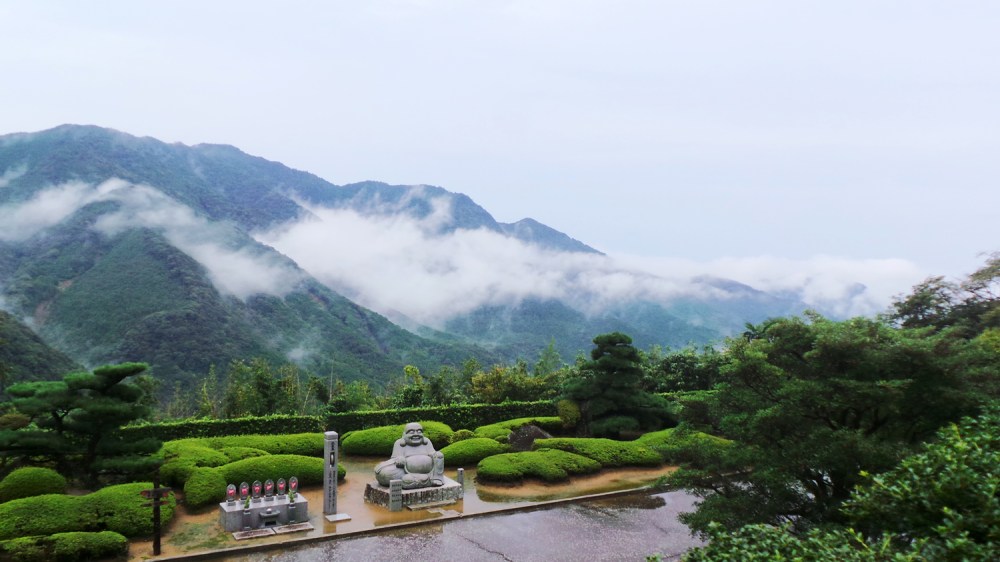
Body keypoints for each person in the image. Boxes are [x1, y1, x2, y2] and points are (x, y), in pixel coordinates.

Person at [374, 422, 445, 489]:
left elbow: (433, 453)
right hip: (405, 470)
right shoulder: (399, 443)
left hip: (428, 470)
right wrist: (399, 459)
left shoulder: (426, 442)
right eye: (411, 432)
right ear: (404, 434)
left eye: (419, 431)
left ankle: (437, 478)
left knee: (439, 455)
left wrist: (436, 454)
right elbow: (394, 458)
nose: (416, 434)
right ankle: (423, 479)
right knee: (385, 474)